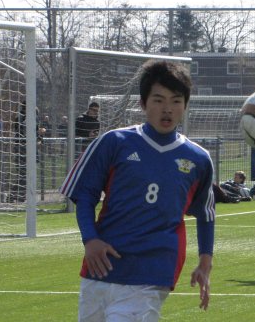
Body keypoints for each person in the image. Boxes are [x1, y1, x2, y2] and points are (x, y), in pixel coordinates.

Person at [60, 60, 215, 320]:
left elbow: (206, 214)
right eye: (158, 100)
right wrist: (90, 239)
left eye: (176, 101)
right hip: (101, 266)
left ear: (185, 105)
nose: (167, 109)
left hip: (152, 271)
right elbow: (85, 196)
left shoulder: (198, 159)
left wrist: (205, 263)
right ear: (143, 104)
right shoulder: (113, 142)